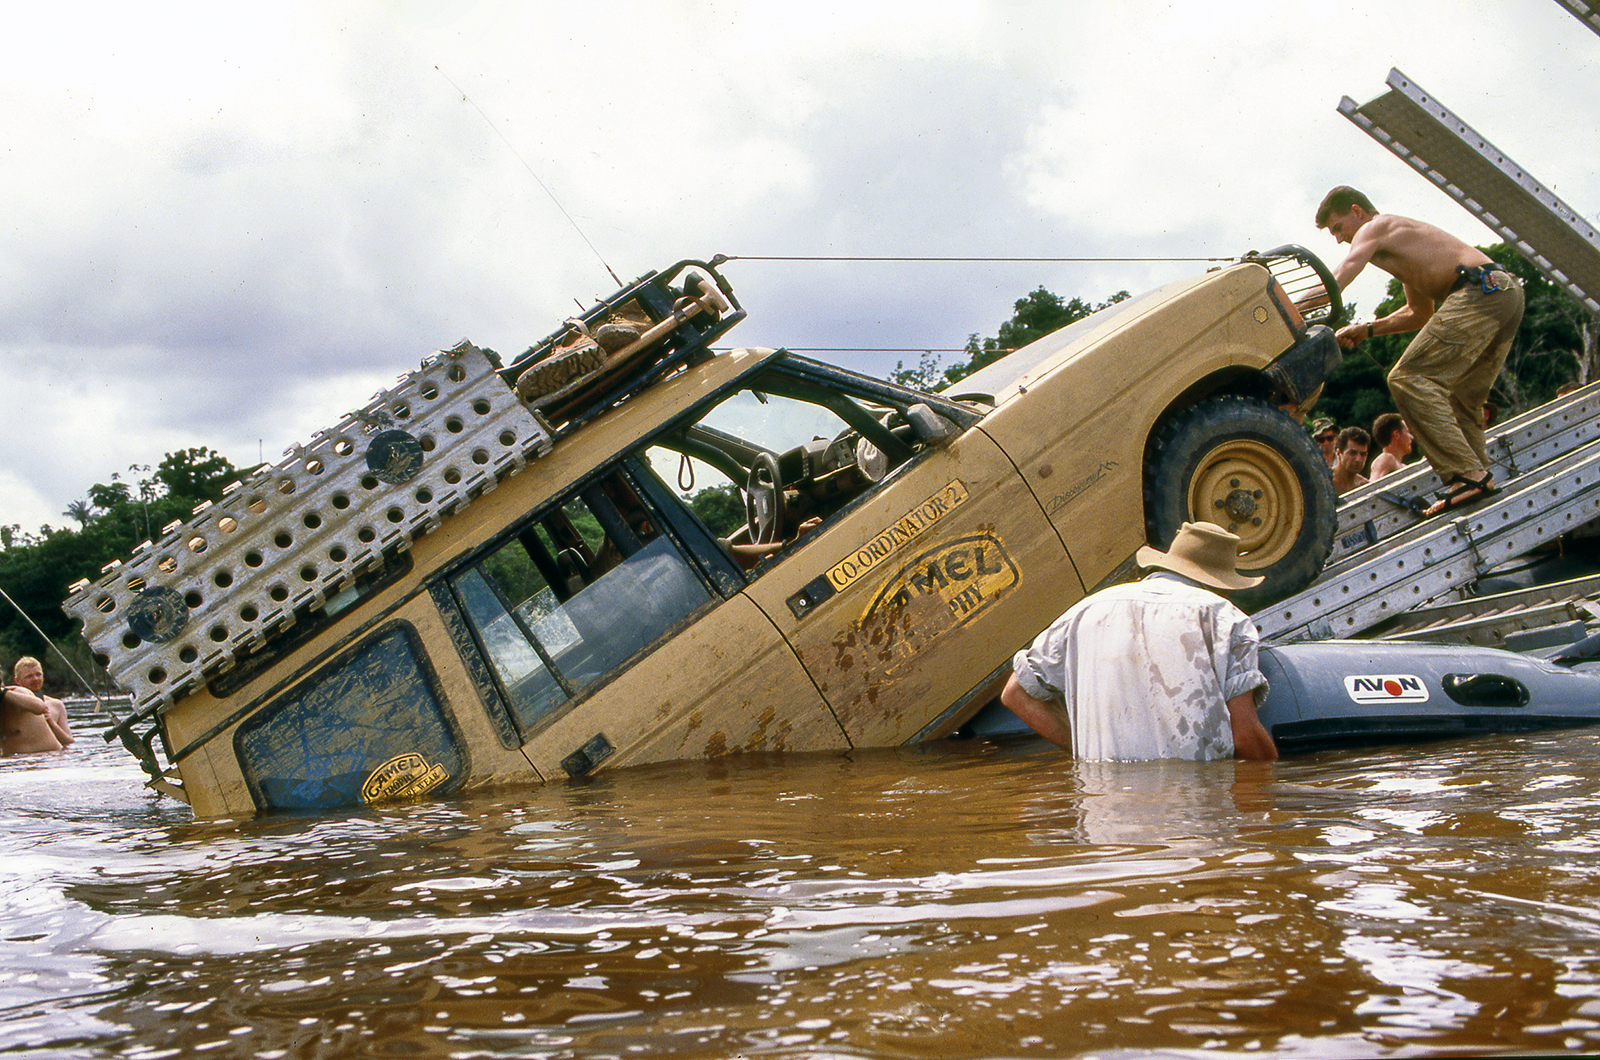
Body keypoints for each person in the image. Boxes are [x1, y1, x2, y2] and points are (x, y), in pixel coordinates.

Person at [1315, 186, 1524, 516]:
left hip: (1479, 291)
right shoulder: (1405, 248)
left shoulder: (1375, 226)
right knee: (1462, 398)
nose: (1340, 239)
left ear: (1356, 211)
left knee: (1407, 377)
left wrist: (1296, 308)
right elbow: (1419, 313)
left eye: (1338, 228)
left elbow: (1342, 273)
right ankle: (1477, 478)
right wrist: (1367, 329)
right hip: (1504, 293)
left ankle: (1467, 476)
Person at [1000, 521, 1277, 762]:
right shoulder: (1226, 619)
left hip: (1102, 800)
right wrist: (1276, 779)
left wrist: (1082, 751)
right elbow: (1245, 736)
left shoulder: (1085, 611)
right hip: (1194, 799)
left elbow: (1016, 694)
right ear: (1222, 585)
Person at [1370, 412, 1413, 479]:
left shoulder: (1403, 466)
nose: (1412, 437)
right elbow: (1374, 484)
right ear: (1397, 435)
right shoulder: (1386, 459)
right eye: (1408, 432)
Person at [1331, 425, 1371, 495]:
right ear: (1339, 453)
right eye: (1352, 453)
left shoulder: (1364, 486)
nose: (1358, 459)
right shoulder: (1324, 482)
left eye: (1363, 454)